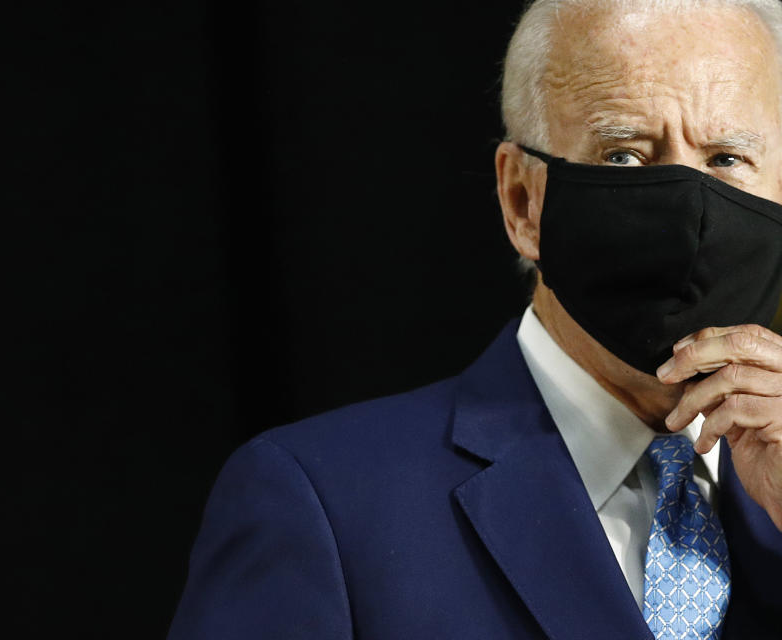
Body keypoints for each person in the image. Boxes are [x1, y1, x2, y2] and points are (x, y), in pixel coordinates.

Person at [168, 0, 782, 637]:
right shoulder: (320, 503)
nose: (692, 211)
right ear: (522, 199)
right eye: (623, 156)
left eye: (727, 160)